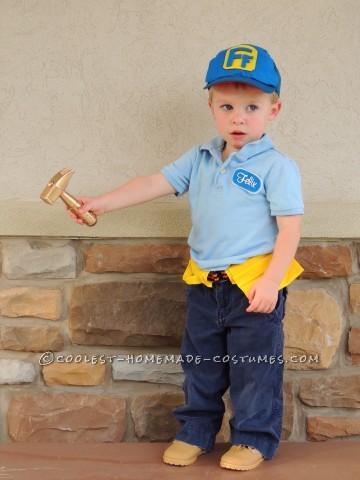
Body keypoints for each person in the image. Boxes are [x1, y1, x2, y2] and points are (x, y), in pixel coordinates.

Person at [68, 44, 304, 471]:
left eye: (252, 106)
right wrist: (101, 202)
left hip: (253, 287)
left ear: (274, 109)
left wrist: (272, 281)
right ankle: (196, 431)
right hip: (204, 285)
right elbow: (153, 182)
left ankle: (253, 439)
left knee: (254, 370)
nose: (238, 116)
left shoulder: (277, 167)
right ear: (211, 106)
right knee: (200, 367)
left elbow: (290, 229)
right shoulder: (200, 158)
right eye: (227, 105)